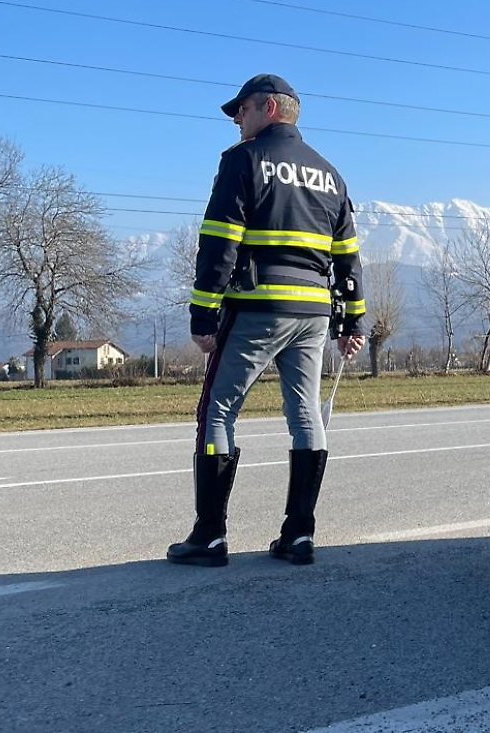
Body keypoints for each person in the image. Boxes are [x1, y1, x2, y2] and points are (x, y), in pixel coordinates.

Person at [167, 74, 367, 568]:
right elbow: (349, 256)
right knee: (305, 415)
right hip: (313, 313)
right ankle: (299, 535)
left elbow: (219, 240)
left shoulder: (243, 160)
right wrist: (354, 323)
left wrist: (203, 313)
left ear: (270, 110)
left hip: (258, 306)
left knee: (216, 413)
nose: (237, 119)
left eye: (243, 110)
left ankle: (209, 536)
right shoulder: (330, 174)